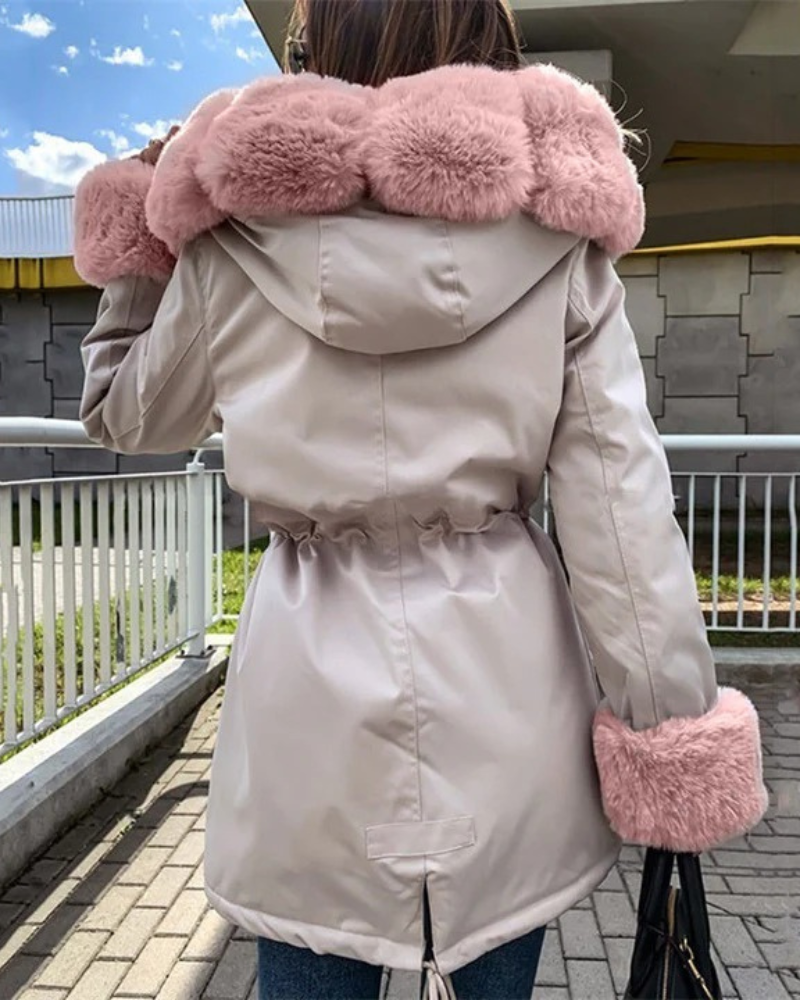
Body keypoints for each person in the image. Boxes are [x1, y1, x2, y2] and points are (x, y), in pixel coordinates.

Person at [74, 1, 768, 997]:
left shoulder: (229, 248)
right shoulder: (557, 246)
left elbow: (126, 416)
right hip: (505, 687)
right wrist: (670, 736)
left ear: (320, 53)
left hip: (307, 699)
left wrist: (146, 241)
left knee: (309, 940)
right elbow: (620, 524)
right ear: (487, 49)